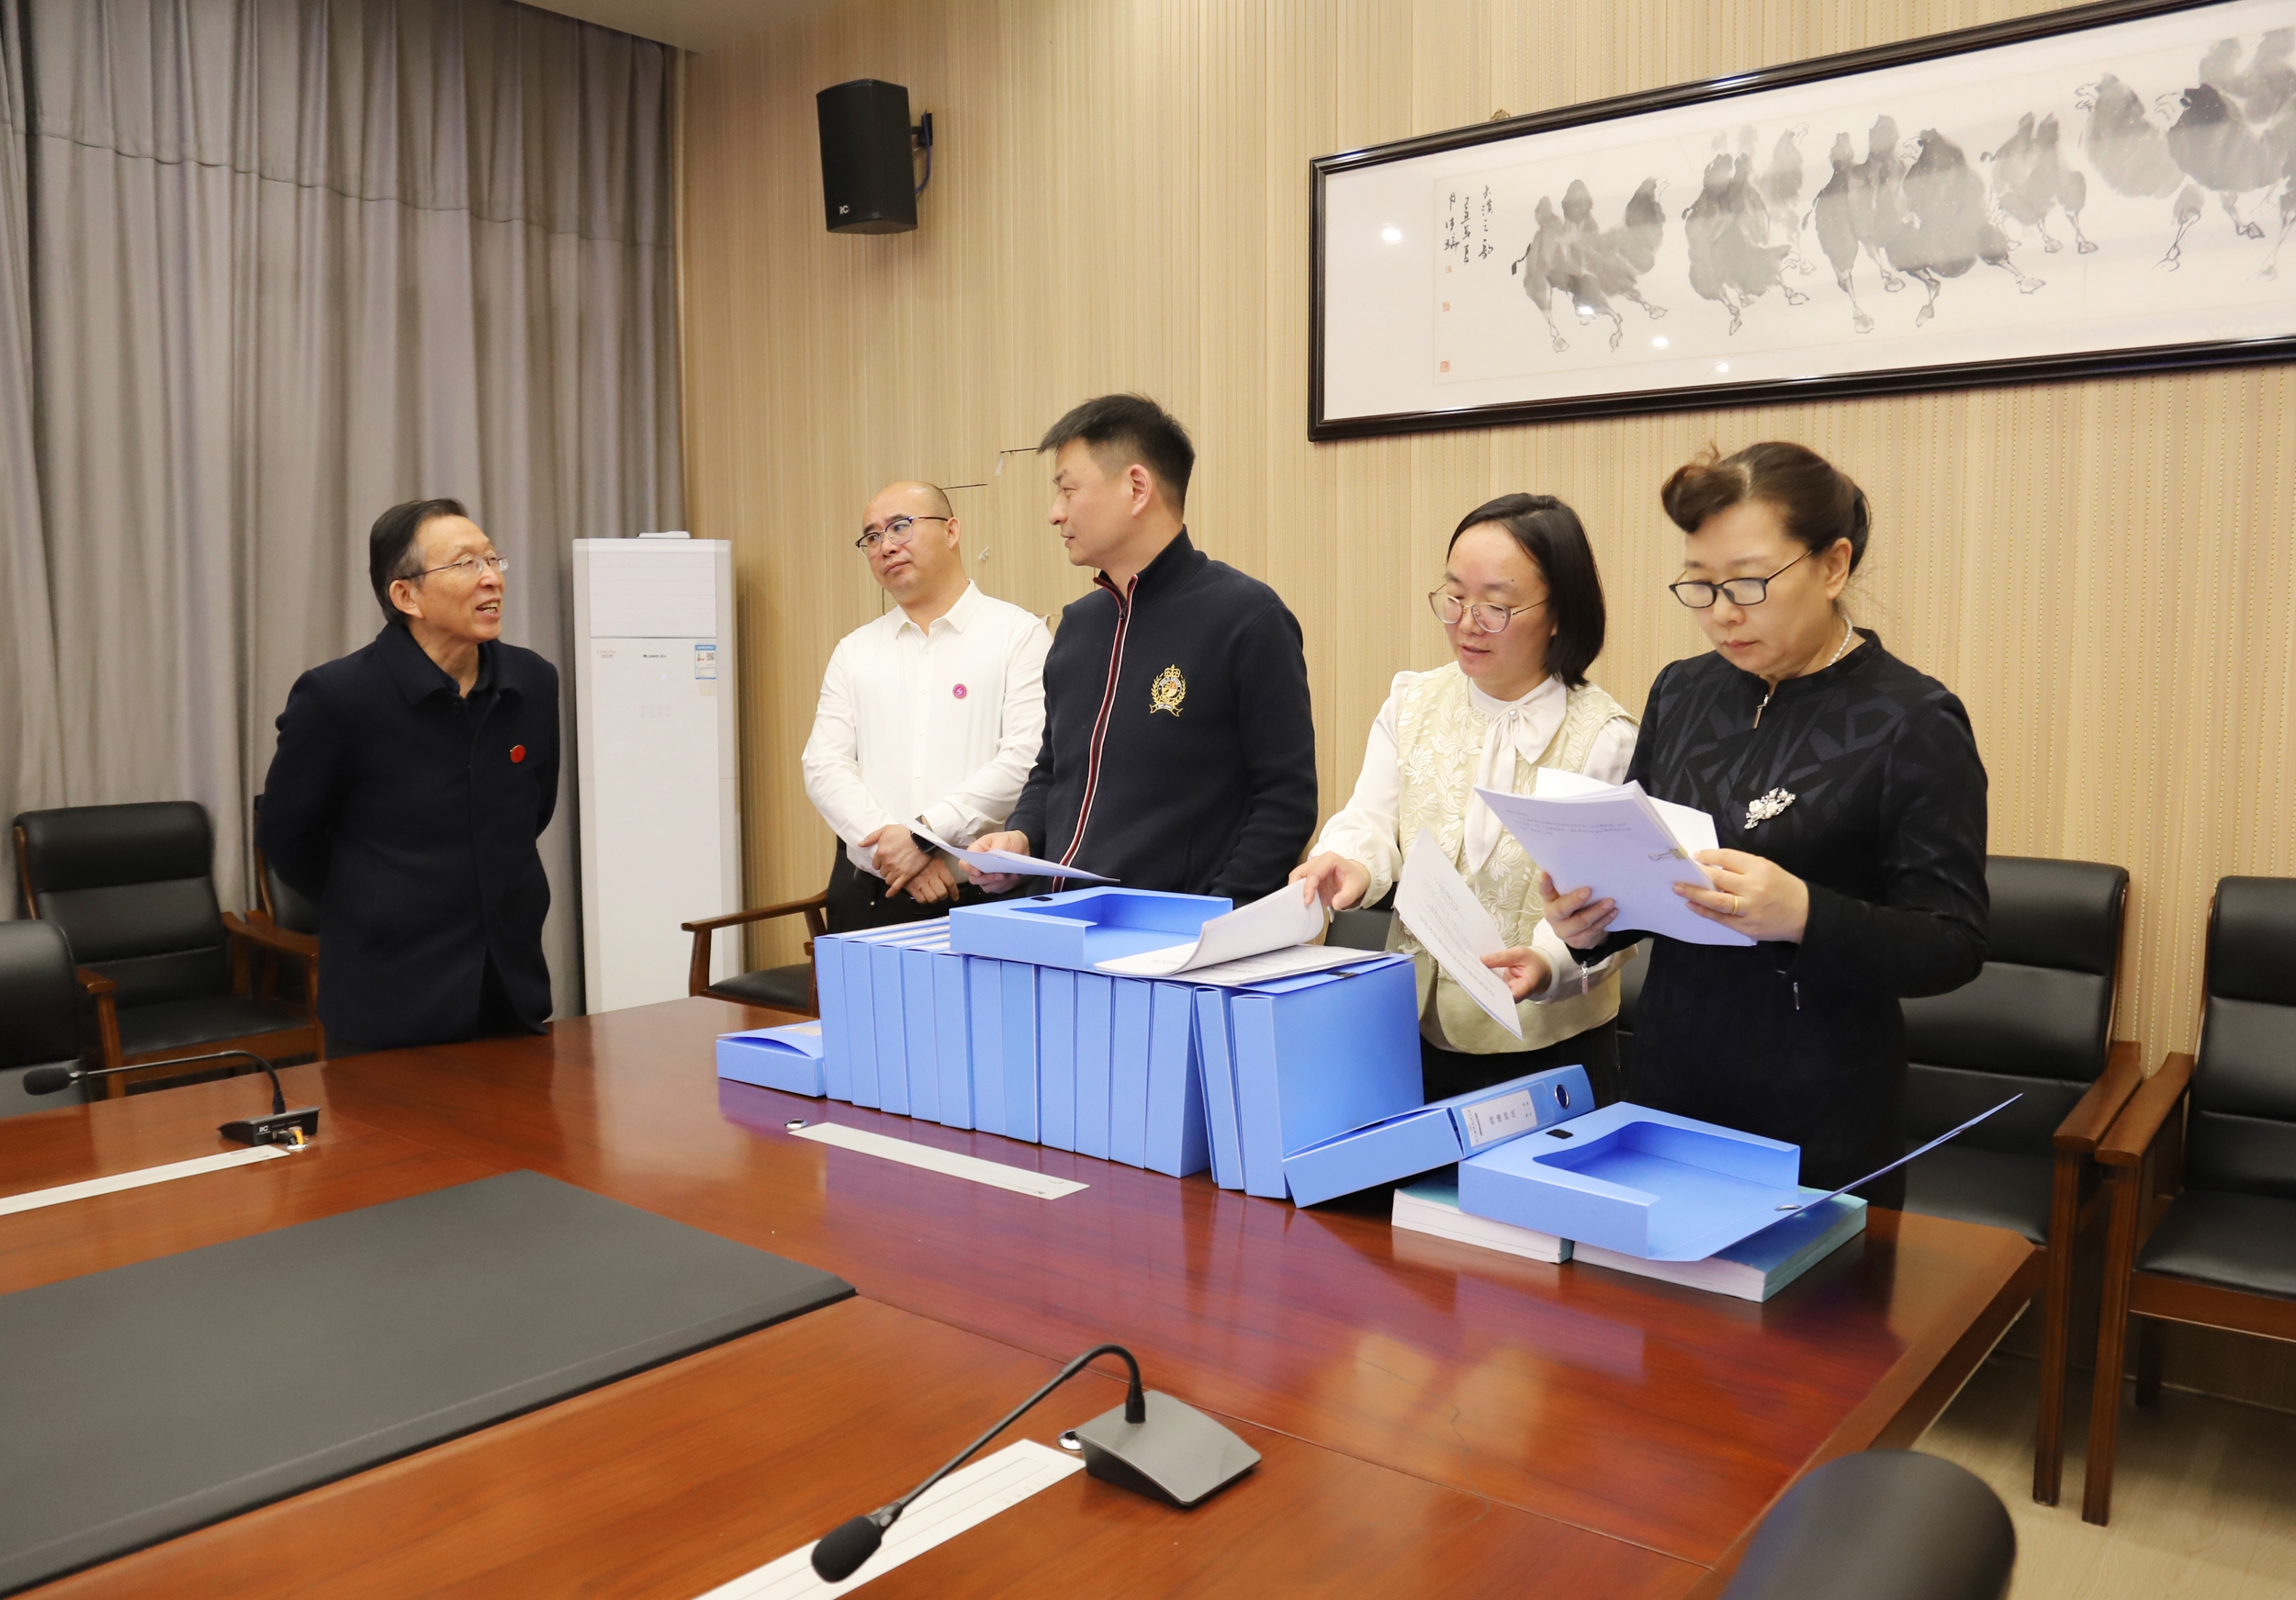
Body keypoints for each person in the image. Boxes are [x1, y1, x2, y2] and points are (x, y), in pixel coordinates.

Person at [1508, 443, 1988, 1204]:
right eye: (1701, 586)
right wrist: (1589, 922)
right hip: (1670, 1083)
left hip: (1819, 1110)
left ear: (1833, 565)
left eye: (1749, 583)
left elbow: (1953, 944)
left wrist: (1804, 914)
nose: (1723, 613)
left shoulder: (1913, 720)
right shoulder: (1683, 692)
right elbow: (1652, 871)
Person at [1292, 495, 1638, 1106]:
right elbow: (1372, 818)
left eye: (1496, 606)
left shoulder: (1603, 737)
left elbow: (1612, 908)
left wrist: (1548, 963)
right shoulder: (1413, 702)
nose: (1467, 623)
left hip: (1547, 1049)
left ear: (1559, 614)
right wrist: (1349, 861)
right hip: (1409, 1030)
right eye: (1454, 597)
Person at [970, 395, 1316, 903]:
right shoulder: (1078, 625)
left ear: (1136, 488)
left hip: (1174, 934)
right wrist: (1021, 836)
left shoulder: (1247, 617)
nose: (1054, 513)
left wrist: (1215, 914)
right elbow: (1053, 770)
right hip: (1058, 919)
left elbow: (1286, 801)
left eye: (1067, 490)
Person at [257, 499, 560, 1057]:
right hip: (388, 998)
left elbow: (533, 810)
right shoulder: (338, 697)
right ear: (406, 596)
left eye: (493, 559)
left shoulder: (533, 682)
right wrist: (372, 901)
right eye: (465, 564)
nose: (491, 578)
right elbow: (286, 837)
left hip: (508, 990)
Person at [801, 480, 1052, 932]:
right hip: (870, 898)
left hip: (983, 898)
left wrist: (922, 836)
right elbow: (824, 766)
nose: (885, 546)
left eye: (900, 527)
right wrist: (897, 858)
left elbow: (1026, 759)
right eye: (872, 537)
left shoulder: (1018, 634)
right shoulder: (855, 650)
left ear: (952, 531)